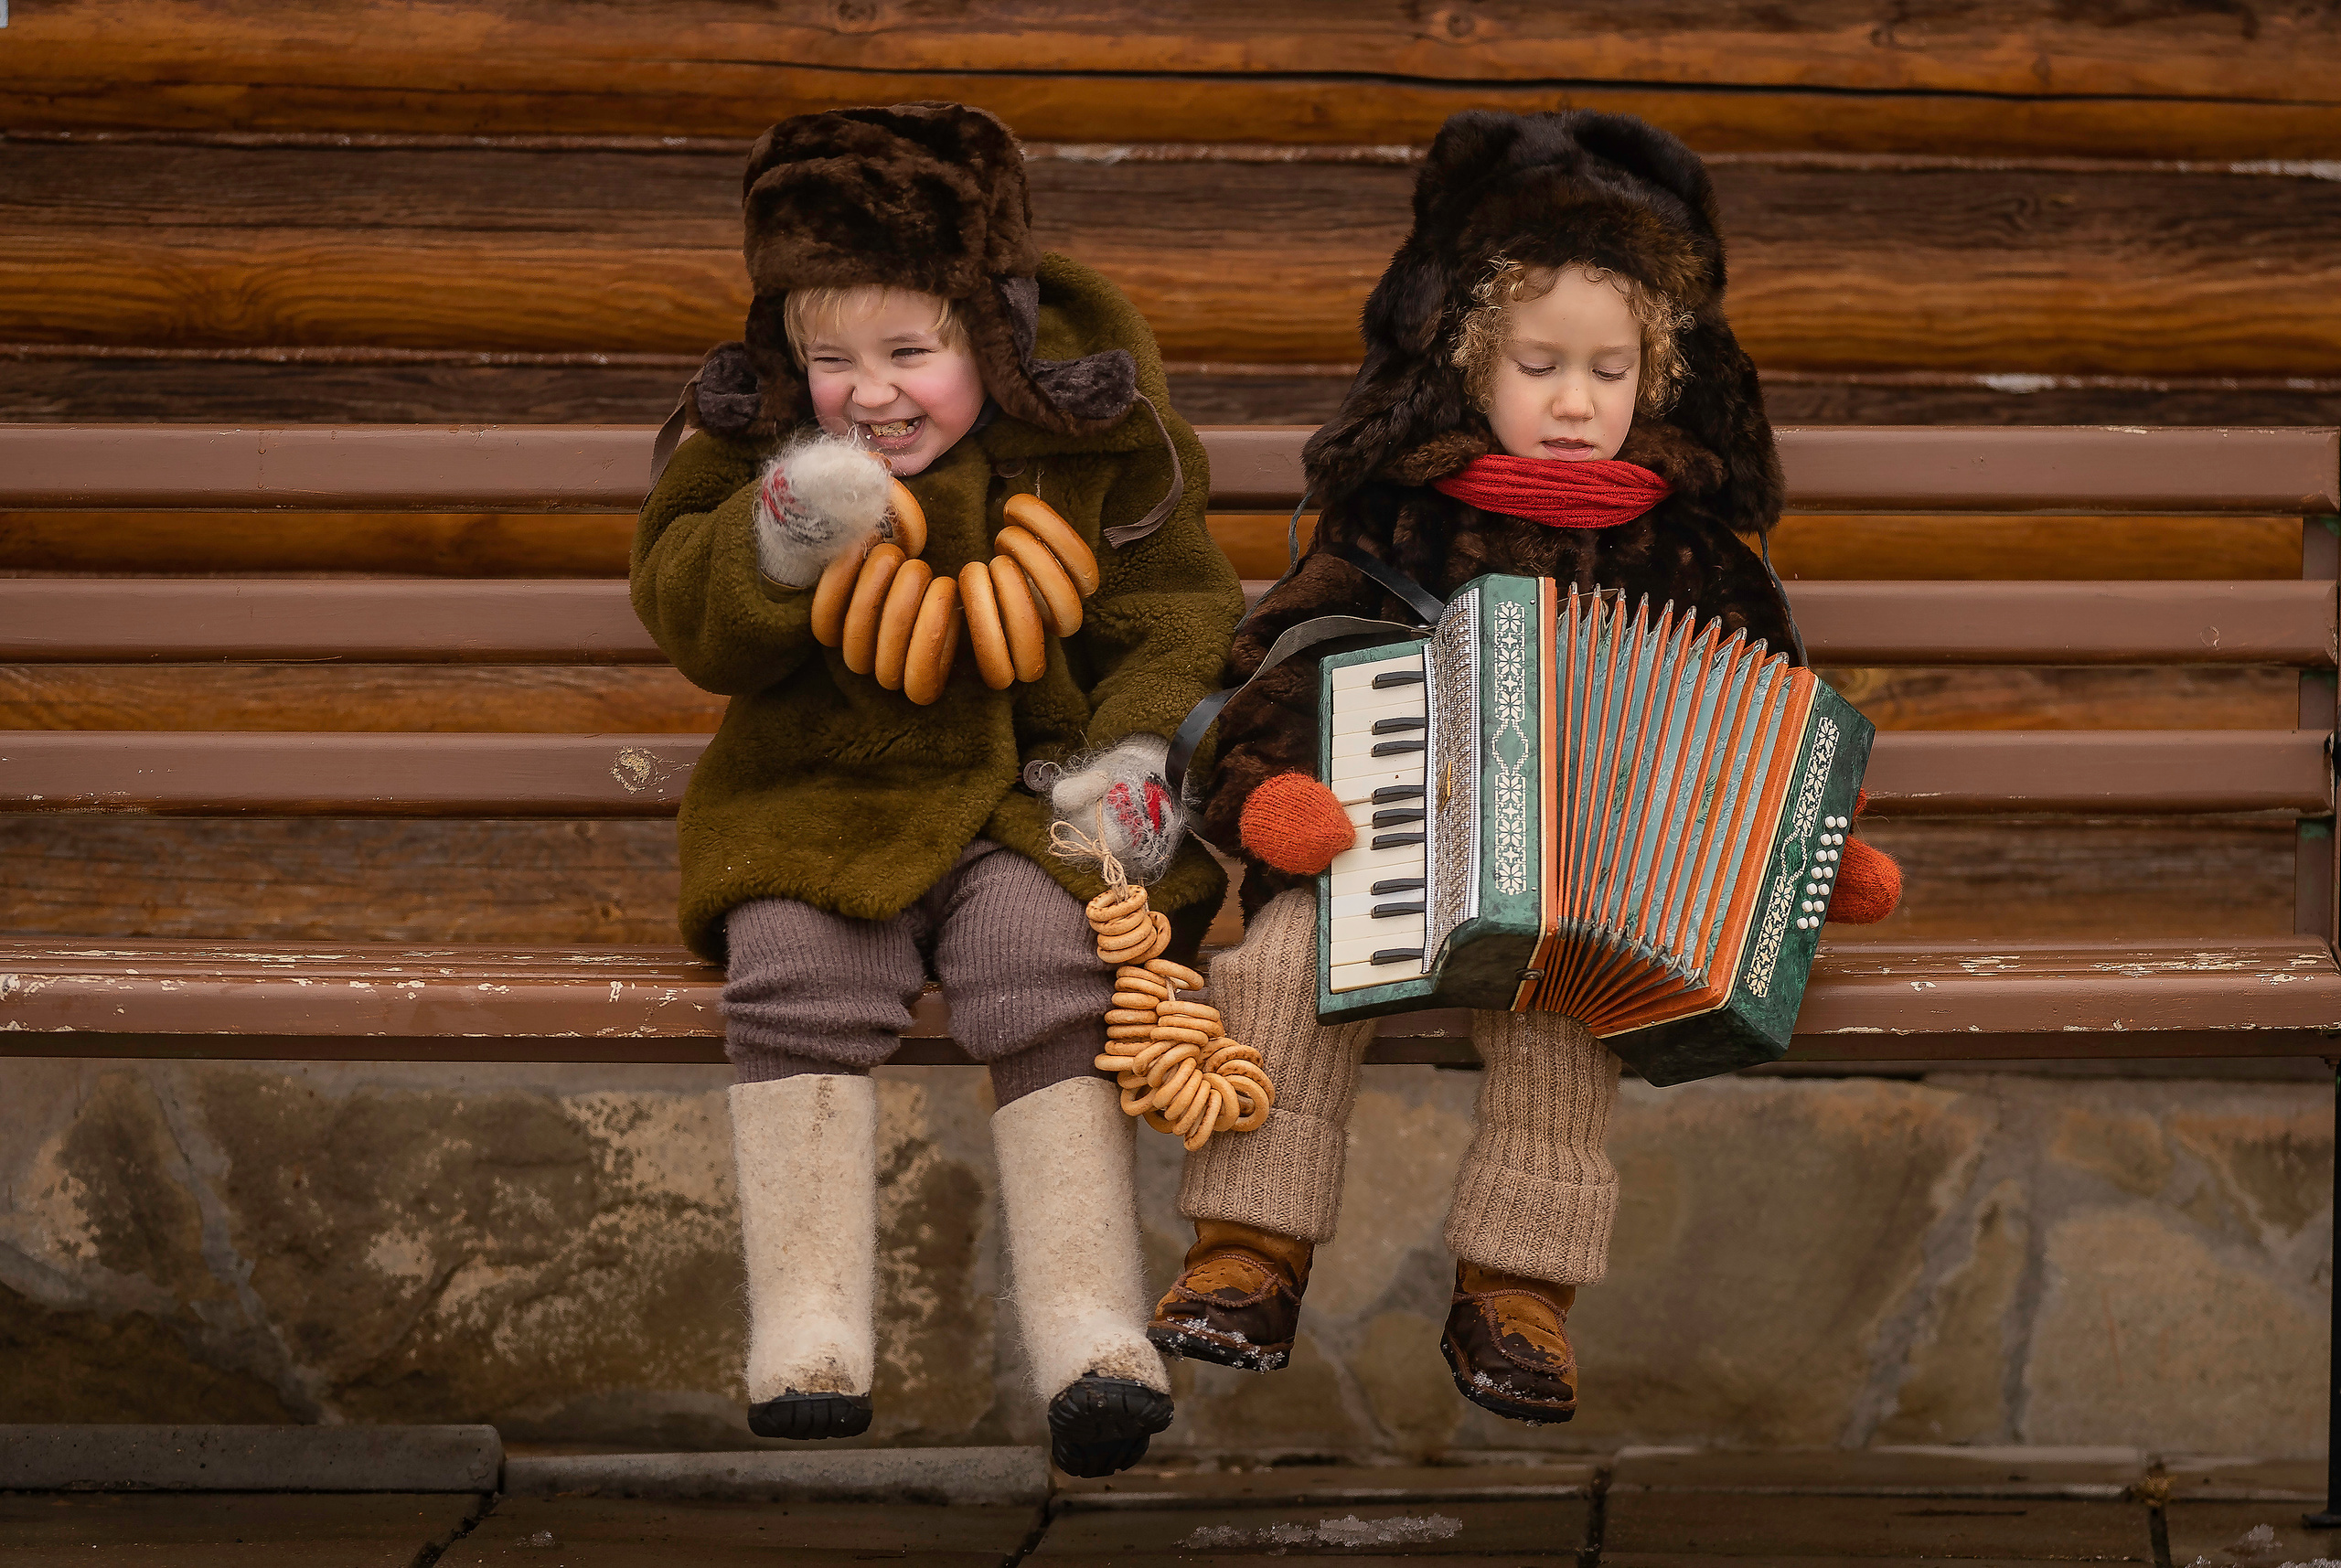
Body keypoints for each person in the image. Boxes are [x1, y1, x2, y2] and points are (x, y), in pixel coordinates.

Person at [1145, 110, 1898, 1425]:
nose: (1573, 401)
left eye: (1609, 372)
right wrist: (1274, 794)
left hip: (1577, 888)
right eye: (1540, 363)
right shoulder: (1399, 517)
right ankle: (1248, 1253)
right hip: (1376, 846)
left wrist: (1813, 853)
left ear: (1653, 380)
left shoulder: (1701, 556)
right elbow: (1269, 670)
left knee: (1563, 1005)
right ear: (1470, 364)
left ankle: (1517, 1292)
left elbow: (1764, 726)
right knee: (1270, 967)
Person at [631, 102, 1243, 1476]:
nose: (873, 391)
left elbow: (1181, 614)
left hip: (1042, 801)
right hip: (817, 798)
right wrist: (780, 538)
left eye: (911, 352)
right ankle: (809, 1323)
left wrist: (1140, 758)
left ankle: (1088, 1325)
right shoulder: (756, 450)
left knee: (1044, 959)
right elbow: (687, 610)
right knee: (795, 960)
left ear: (994, 328)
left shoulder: (1094, 442)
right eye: (830, 357)